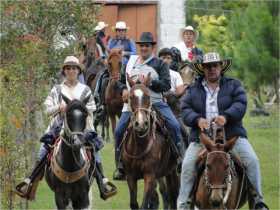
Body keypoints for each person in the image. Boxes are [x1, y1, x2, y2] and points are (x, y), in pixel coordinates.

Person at [15, 56, 116, 200]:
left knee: (93, 147)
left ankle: (103, 182)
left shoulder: (85, 90)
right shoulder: (57, 90)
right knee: (44, 149)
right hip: (59, 126)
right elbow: (46, 108)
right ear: (64, 71)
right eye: (68, 68)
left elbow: (92, 107)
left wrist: (79, 109)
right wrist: (59, 107)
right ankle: (30, 182)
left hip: (81, 126)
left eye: (74, 68)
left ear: (78, 71)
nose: (71, 71)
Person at [177, 52, 269, 210]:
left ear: (221, 67)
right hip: (202, 139)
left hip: (232, 137)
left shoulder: (234, 85)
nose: (212, 69)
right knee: (187, 165)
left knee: (252, 161)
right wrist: (197, 120)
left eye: (215, 65)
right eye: (208, 66)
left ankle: (258, 201)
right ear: (202, 69)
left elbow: (240, 104)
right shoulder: (193, 89)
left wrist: (226, 117)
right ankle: (184, 204)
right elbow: (185, 109)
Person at [112, 32, 185, 180]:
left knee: (175, 126)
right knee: (119, 131)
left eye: (147, 46)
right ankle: (120, 165)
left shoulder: (160, 64)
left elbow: (166, 85)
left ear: (152, 47)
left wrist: (151, 82)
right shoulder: (130, 62)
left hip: (155, 102)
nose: (144, 48)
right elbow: (119, 80)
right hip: (133, 104)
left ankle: (179, 158)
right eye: (142, 46)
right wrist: (124, 89)